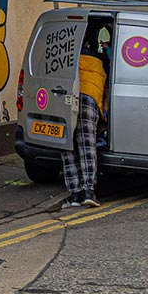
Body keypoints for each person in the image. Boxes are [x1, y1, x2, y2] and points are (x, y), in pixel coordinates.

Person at [61, 26, 109, 209]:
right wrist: (103, 112)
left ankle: (74, 194)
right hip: (89, 100)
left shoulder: (67, 57)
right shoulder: (100, 59)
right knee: (87, 145)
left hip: (65, 99)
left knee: (67, 146)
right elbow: (105, 88)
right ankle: (89, 191)